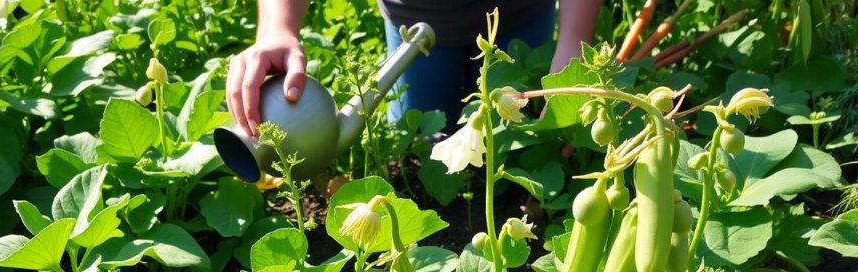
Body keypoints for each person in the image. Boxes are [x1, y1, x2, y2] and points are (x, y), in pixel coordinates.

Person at [226, 0, 600, 137]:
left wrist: (573, 42)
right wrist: (277, 28)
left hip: (519, 17)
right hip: (416, 24)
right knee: (419, 141)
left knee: (527, 134)